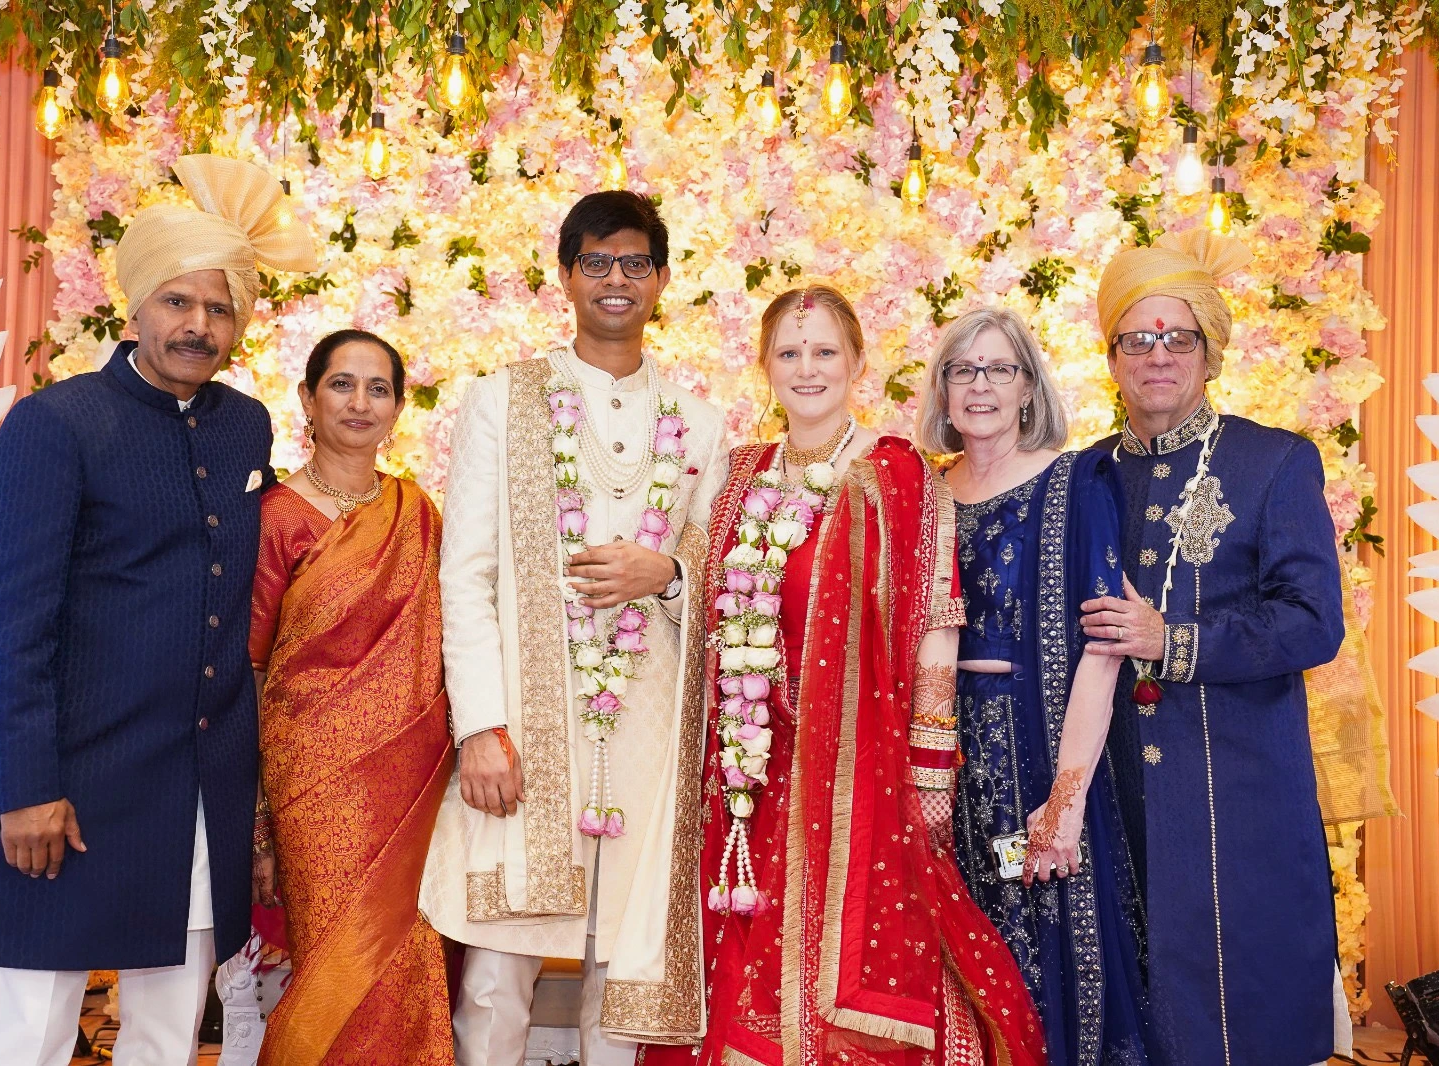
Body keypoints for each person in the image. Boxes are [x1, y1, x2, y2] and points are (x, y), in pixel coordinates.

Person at [0, 155, 316, 1065]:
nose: (199, 326)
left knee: (166, 1027)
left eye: (220, 307)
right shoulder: (57, 423)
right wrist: (25, 788)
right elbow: (9, 624)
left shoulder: (245, 425)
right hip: (74, 784)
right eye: (178, 302)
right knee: (29, 1027)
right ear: (135, 307)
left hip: (201, 780)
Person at [652, 286, 1046, 1066]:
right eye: (790, 353)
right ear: (763, 365)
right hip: (748, 769)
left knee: (866, 942)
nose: (808, 369)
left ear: (858, 363)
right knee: (743, 949)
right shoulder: (736, 477)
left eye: (825, 352)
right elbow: (691, 594)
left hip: (858, 771)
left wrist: (931, 768)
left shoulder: (897, 476)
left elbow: (937, 623)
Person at [419, 191, 727, 1064]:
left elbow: (726, 578)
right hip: (525, 723)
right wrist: (479, 727)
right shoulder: (500, 399)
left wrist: (663, 575)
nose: (617, 280)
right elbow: (465, 574)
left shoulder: (703, 423)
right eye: (597, 262)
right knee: (495, 971)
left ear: (662, 280)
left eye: (635, 263)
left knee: (621, 968)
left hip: (650, 730)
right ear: (566, 277)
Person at [1080, 229, 1344, 1066]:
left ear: (1209, 350)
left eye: (1178, 336)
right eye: (1138, 337)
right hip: (1114, 787)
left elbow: (1313, 620)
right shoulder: (1083, 477)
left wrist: (1177, 642)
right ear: (1112, 355)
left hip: (1242, 789)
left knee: (1248, 1005)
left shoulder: (1273, 462)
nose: (1157, 356)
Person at [916, 308, 1158, 1066]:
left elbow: (1104, 648)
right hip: (937, 763)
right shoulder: (923, 495)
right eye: (964, 370)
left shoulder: (1077, 479)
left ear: (1028, 386)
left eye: (999, 369)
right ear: (943, 389)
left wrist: (1067, 795)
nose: (980, 385)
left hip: (1035, 754)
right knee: (951, 965)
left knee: (1046, 949)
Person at [248, 330, 454, 1063]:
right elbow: (253, 669)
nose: (360, 402)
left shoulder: (418, 513)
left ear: (399, 406)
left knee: (408, 953)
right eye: (342, 384)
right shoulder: (274, 517)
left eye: (378, 388)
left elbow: (444, 645)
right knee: (338, 959)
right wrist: (260, 820)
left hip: (411, 776)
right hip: (312, 782)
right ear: (308, 398)